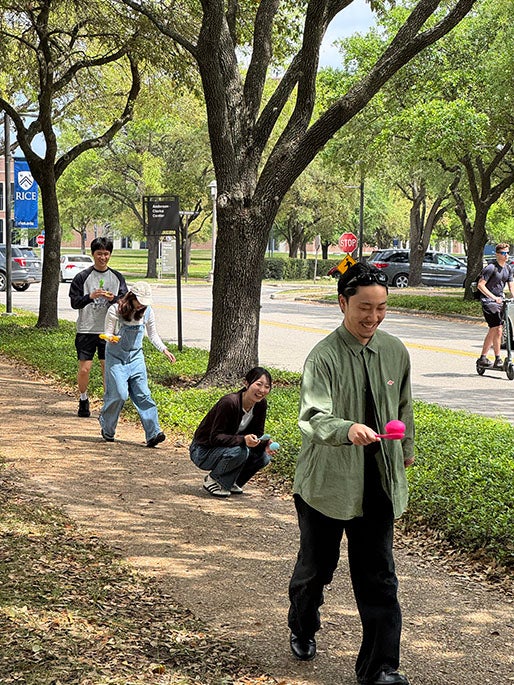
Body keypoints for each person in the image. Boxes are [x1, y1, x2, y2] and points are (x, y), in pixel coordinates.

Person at [287, 262, 414, 685]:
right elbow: (313, 417)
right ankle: (302, 624)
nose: (372, 317)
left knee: (379, 576)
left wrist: (405, 451)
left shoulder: (395, 351)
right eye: (364, 307)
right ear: (342, 302)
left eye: (381, 308)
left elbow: (403, 410)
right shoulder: (322, 356)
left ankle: (380, 669)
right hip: (327, 485)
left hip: (377, 480)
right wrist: (346, 429)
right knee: (315, 570)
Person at [99, 281, 175, 447]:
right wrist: (110, 337)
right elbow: (107, 332)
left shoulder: (148, 312)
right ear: (131, 297)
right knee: (119, 394)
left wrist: (164, 350)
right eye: (139, 302)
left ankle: (154, 432)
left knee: (143, 394)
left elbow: (153, 335)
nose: (142, 306)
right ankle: (107, 427)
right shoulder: (115, 310)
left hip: (136, 358)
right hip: (116, 358)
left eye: (145, 303)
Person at [189, 367, 275, 497]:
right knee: (240, 451)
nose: (262, 390)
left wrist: (264, 443)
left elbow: (257, 433)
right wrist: (243, 440)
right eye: (258, 384)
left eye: (267, 386)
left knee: (263, 458)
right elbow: (215, 437)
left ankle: (229, 481)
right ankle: (214, 479)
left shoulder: (261, 404)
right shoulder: (229, 402)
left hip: (229, 447)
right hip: (203, 450)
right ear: (246, 383)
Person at [69, 237, 128, 418]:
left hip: (108, 331)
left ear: (110, 254)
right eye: (99, 254)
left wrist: (115, 299)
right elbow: (74, 303)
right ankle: (83, 398)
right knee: (85, 369)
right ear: (93, 254)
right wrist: (90, 296)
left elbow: (126, 303)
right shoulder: (82, 277)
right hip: (86, 329)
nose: (103, 257)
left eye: (106, 254)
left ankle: (107, 405)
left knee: (106, 368)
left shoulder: (117, 277)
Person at [476, 243, 514, 369]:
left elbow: (511, 285)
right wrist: (493, 297)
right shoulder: (491, 268)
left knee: (498, 330)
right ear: (497, 254)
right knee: (496, 328)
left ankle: (490, 358)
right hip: (488, 302)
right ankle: (490, 358)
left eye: (507, 253)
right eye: (503, 253)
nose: (506, 255)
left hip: (500, 302)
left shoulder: (508, 268)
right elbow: (480, 285)